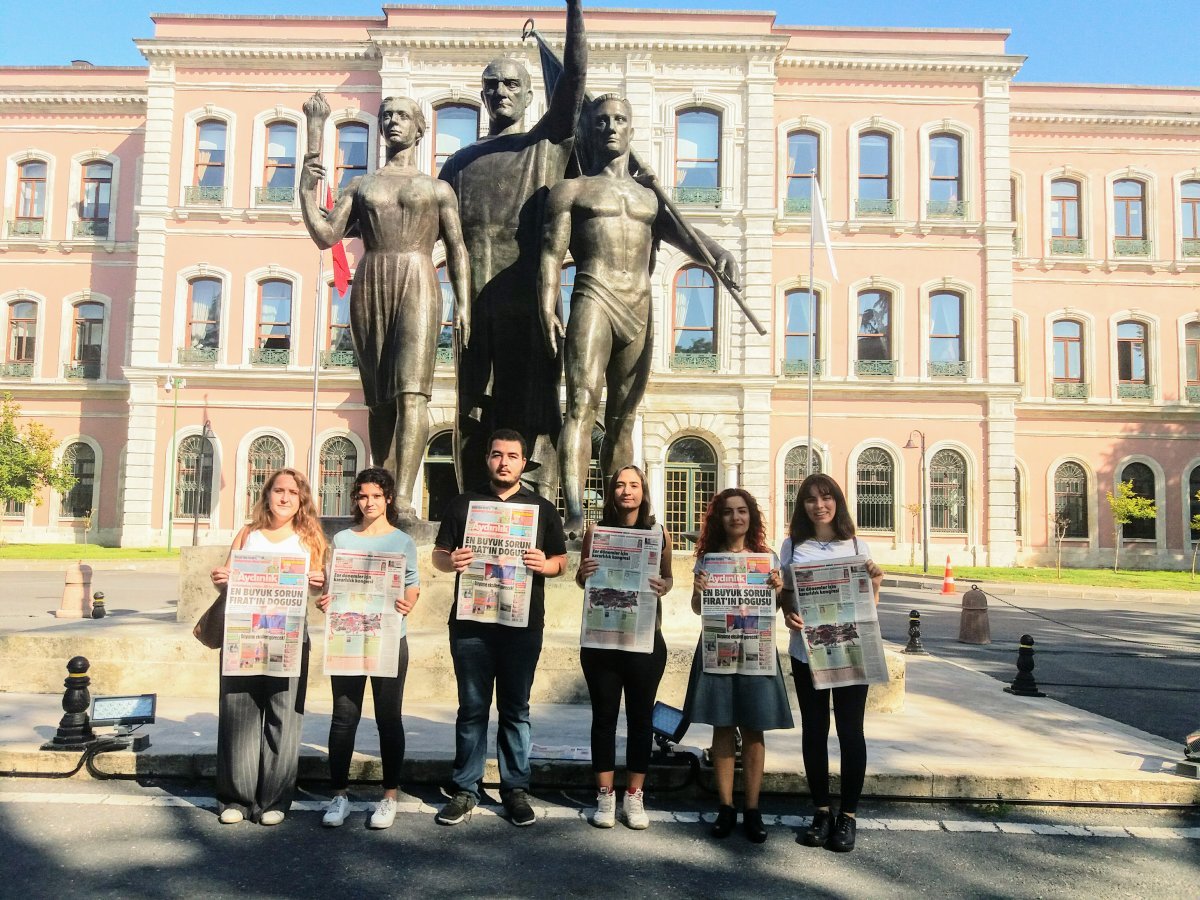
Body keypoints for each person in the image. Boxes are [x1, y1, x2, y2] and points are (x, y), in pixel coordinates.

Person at [538, 94, 740, 537]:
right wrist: (548, 308)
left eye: (620, 120)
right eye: (602, 121)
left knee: (624, 417)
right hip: (593, 295)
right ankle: (573, 511)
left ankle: (619, 517)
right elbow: (551, 257)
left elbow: (690, 240)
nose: (610, 127)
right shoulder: (571, 190)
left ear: (632, 129)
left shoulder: (649, 197)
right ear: (590, 131)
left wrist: (721, 254)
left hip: (640, 304)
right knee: (581, 407)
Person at [439, 0, 586, 497]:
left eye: (510, 85)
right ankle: (470, 506)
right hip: (474, 304)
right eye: (491, 85)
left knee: (536, 407)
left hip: (528, 299)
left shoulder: (548, 144)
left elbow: (574, 82)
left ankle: (539, 508)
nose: (499, 92)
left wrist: (574, 9)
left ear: (528, 96)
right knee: (472, 408)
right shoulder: (458, 162)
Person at [300, 93, 470, 515]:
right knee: (379, 400)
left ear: (420, 128)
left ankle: (405, 499)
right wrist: (304, 189)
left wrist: (463, 303)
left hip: (418, 279)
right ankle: (383, 487)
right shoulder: (362, 185)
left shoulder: (437, 188)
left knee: (412, 393)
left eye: (402, 116)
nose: (393, 122)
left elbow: (458, 249)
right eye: (386, 115)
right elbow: (326, 236)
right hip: (371, 281)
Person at [432, 429, 568, 826]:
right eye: (497, 455)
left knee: (515, 709)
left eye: (512, 455)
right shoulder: (464, 505)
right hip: (472, 624)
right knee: (472, 708)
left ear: (524, 463)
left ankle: (515, 789)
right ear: (487, 460)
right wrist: (451, 562)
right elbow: (440, 556)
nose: (504, 462)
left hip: (522, 625)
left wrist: (547, 566)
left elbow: (562, 562)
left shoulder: (542, 508)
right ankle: (465, 789)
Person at [209, 468, 327, 826]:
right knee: (238, 713)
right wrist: (221, 579)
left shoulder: (311, 539)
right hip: (243, 636)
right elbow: (226, 583)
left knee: (284, 716)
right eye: (279, 490)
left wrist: (321, 584)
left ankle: (275, 800)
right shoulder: (248, 534)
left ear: (302, 499)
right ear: (267, 495)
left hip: (288, 637)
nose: (285, 497)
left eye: (293, 492)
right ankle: (236, 799)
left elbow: (320, 589)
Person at [780, 472, 885, 854]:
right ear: (802, 506)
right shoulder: (793, 545)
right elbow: (786, 597)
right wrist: (789, 613)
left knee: (850, 731)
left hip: (850, 650)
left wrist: (876, 580)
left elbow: (868, 605)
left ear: (837, 501)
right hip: (806, 651)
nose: (819, 505)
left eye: (826, 498)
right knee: (814, 730)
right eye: (810, 499)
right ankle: (822, 810)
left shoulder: (857, 544)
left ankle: (849, 816)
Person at [684, 489, 793, 843]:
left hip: (756, 648)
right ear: (719, 518)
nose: (736, 518)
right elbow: (698, 609)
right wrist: (699, 591)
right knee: (722, 725)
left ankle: (753, 808)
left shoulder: (767, 558)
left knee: (754, 728)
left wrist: (778, 590)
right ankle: (727, 806)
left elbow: (773, 612)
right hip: (718, 646)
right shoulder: (708, 560)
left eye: (742, 511)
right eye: (729, 512)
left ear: (751, 517)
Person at [315, 467, 420, 830]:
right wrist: (325, 599)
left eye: (376, 495)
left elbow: (412, 584)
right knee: (344, 717)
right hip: (347, 636)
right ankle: (339, 793)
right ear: (355, 500)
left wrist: (409, 602)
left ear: (388, 499)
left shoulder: (402, 541)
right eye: (362, 496)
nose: (369, 502)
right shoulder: (342, 539)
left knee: (389, 718)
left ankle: (389, 795)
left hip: (389, 637)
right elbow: (329, 585)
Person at [574, 465, 674, 829]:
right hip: (602, 640)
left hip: (645, 639)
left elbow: (669, 578)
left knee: (640, 719)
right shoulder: (595, 532)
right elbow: (581, 579)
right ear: (611, 492)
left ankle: (633, 796)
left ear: (643, 491)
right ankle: (604, 796)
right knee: (603, 718)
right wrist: (582, 574)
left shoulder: (658, 532)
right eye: (620, 485)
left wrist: (664, 586)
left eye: (633, 485)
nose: (626, 491)